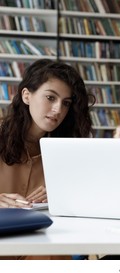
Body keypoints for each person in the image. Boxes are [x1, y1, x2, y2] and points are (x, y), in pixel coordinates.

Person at [0, 58, 94, 259]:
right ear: (26, 95)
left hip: (43, 248)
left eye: (66, 103)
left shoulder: (68, 151)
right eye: (50, 98)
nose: (58, 109)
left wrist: (65, 199)